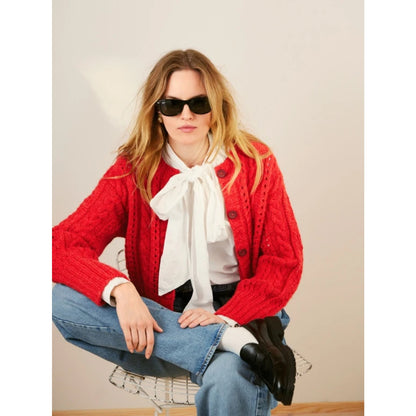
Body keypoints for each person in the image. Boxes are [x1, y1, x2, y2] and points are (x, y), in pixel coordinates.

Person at [52, 49, 303, 416]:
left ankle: (235, 343)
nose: (186, 115)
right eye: (172, 105)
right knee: (61, 299)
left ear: (216, 107)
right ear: (157, 111)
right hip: (160, 328)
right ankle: (229, 343)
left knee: (230, 378)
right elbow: (59, 245)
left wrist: (230, 316)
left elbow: (284, 260)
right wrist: (122, 290)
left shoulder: (254, 162)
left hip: (242, 314)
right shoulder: (133, 169)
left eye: (199, 103)